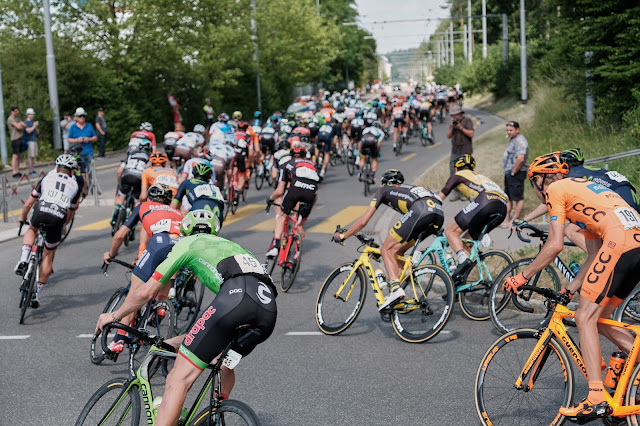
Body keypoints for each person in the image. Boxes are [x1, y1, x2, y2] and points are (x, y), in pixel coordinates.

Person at [95, 209, 277, 426]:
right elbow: (212, 327)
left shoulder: (186, 244)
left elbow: (145, 292)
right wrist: (176, 341)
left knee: (176, 379)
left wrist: (113, 316)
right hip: (267, 311)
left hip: (236, 298)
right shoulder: (233, 247)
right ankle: (218, 412)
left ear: (185, 231)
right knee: (223, 363)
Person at [503, 152, 640, 419]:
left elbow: (554, 245)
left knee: (583, 317)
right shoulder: (584, 190)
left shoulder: (556, 189)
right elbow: (593, 255)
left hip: (620, 243)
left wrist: (523, 276)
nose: (536, 190)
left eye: (534, 184)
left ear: (541, 180)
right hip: (635, 243)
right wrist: (572, 288)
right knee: (599, 318)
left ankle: (596, 398)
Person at [332, 169, 444, 311]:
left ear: (384, 182)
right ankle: (399, 296)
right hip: (438, 214)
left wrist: (343, 235)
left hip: (420, 211)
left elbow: (363, 221)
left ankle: (396, 290)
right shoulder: (408, 189)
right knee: (397, 252)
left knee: (386, 249)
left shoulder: (384, 190)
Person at [101, 183, 182, 353]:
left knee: (135, 294)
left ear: (150, 197)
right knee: (163, 272)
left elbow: (119, 235)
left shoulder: (143, 206)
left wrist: (111, 254)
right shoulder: (178, 213)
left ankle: (119, 340)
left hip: (159, 244)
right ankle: (160, 305)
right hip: (180, 248)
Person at [514, 148, 640, 251]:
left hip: (620, 200)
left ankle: (599, 258)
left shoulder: (571, 177)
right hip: (626, 196)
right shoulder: (581, 172)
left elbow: (551, 203)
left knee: (571, 231)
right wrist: (526, 219)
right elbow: (550, 202)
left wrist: (551, 240)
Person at [14, 154, 81, 308]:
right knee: (49, 254)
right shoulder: (75, 184)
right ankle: (37, 294)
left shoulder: (47, 178)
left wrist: (22, 217)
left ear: (57, 167)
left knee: (32, 228)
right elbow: (71, 212)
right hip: (58, 216)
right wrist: (64, 225)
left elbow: (28, 204)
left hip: (41, 210)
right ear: (72, 171)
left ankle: (24, 259)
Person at [437, 154, 507, 277]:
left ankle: (463, 262)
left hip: (486, 201)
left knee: (451, 232)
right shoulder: (481, 177)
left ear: (456, 168)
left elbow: (438, 199)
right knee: (466, 245)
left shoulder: (458, 175)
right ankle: (461, 282)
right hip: (502, 207)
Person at [266, 142, 319, 257]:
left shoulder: (287, 163)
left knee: (282, 216)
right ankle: (298, 253)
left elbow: (280, 190)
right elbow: (315, 193)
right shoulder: (312, 165)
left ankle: (275, 246)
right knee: (299, 224)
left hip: (295, 190)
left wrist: (270, 199)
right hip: (310, 193)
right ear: (305, 156)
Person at [110, 139, 152, 227]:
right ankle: (133, 222)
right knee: (137, 201)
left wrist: (119, 183)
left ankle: (116, 211)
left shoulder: (131, 154)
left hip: (127, 176)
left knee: (122, 196)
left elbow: (119, 171)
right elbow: (147, 174)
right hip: (138, 178)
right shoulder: (149, 159)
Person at [500, 121, 528, 228]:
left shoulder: (520, 141)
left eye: (511, 130)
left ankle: (515, 220)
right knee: (508, 197)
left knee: (517, 197)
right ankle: (506, 218)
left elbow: (520, 158)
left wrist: (513, 171)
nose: (509, 132)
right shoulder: (513, 140)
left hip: (516, 173)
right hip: (509, 173)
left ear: (517, 129)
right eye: (507, 130)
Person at [67, 107, 98, 174]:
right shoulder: (73, 127)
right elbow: (69, 139)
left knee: (91, 172)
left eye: (83, 116)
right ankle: (82, 184)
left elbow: (95, 137)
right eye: (80, 116)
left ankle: (90, 184)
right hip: (77, 154)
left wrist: (89, 139)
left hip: (88, 152)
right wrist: (77, 140)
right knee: (79, 173)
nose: (82, 117)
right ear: (76, 117)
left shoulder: (89, 126)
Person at [446, 105, 474, 175]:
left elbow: (471, 134)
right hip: (455, 151)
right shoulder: (453, 123)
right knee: (453, 172)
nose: (453, 117)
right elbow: (448, 136)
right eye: (452, 115)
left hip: (465, 150)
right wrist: (452, 127)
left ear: (459, 114)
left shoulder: (467, 120)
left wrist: (461, 128)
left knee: (466, 172)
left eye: (454, 115)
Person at [7, 106, 26, 178]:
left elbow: (24, 125)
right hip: (15, 139)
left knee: (19, 155)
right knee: (15, 155)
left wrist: (20, 125)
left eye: (18, 111)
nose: (17, 112)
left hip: (20, 138)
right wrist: (20, 125)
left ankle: (17, 170)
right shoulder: (10, 119)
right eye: (15, 111)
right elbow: (18, 127)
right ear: (12, 111)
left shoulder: (17, 118)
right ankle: (14, 172)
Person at [22, 108, 39, 176]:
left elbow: (37, 132)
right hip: (29, 140)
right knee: (30, 156)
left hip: (34, 140)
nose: (33, 115)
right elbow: (28, 131)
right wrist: (34, 126)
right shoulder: (26, 122)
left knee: (33, 156)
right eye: (32, 114)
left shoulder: (32, 122)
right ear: (28, 115)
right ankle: (30, 171)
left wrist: (36, 127)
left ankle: (33, 169)